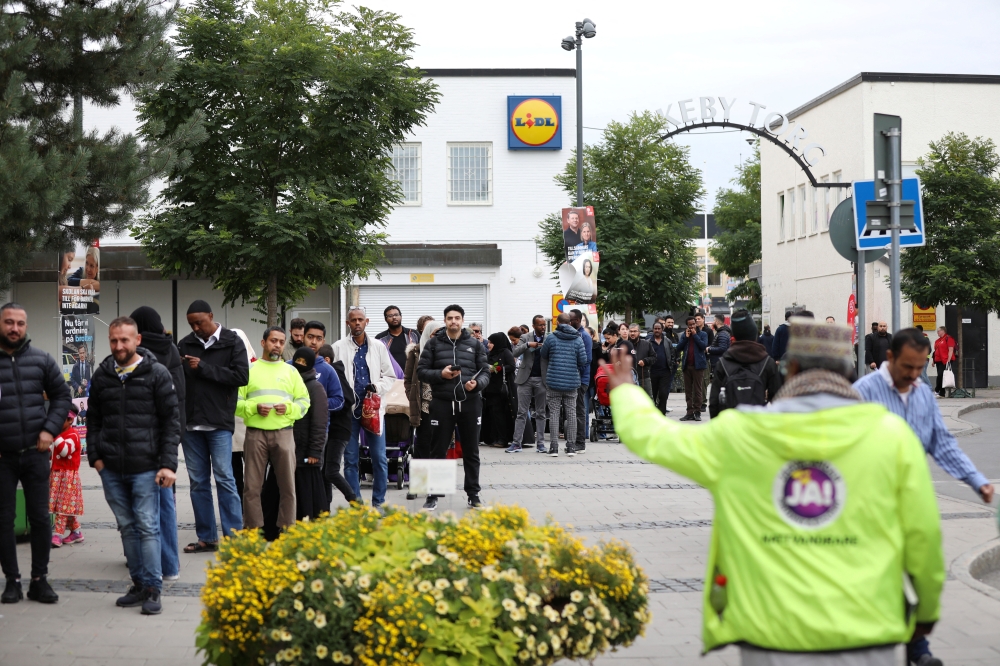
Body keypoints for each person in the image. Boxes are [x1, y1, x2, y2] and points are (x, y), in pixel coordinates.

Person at [607, 318, 945, 665]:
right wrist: (926, 612)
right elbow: (924, 536)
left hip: (770, 633)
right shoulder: (892, 436)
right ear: (847, 371)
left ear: (790, 367)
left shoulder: (740, 433)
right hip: (869, 631)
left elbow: (654, 437)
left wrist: (624, 390)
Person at [854, 327, 992, 666]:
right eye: (907, 368)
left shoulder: (923, 394)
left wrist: (976, 480)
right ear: (890, 358)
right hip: (869, 503)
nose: (914, 376)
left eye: (921, 368)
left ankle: (917, 645)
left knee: (919, 574)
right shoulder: (862, 393)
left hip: (912, 501)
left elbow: (941, 443)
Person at [88, 316, 180, 615]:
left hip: (145, 467)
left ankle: (153, 588)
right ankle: (139, 584)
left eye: (124, 340)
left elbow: (171, 422)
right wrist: (96, 459)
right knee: (127, 527)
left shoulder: (157, 373)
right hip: (111, 467)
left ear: (137, 340)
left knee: (148, 526)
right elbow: (93, 420)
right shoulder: (102, 375)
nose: (118, 346)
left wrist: (168, 465)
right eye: (114, 340)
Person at [0, 302, 71, 605]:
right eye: (8, 322)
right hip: (2, 458)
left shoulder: (42, 359)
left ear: (26, 326)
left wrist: (49, 430)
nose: (14, 328)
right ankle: (12, 581)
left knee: (41, 518)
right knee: (4, 520)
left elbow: (62, 396)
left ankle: (39, 580)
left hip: (36, 453)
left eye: (20, 323)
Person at [177, 300, 248, 554]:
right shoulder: (185, 344)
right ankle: (207, 537)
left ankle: (234, 537)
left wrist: (204, 367)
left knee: (225, 479)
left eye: (200, 322)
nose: (196, 328)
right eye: (191, 324)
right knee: (198, 482)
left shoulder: (232, 341)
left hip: (218, 422)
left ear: (211, 315)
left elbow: (241, 377)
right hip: (191, 425)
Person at [417, 304, 490, 510]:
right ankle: (433, 494)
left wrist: (477, 384)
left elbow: (486, 371)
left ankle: (473, 494)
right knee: (437, 449)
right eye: (450, 318)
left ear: (462, 321)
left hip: (470, 402)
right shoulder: (433, 344)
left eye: (457, 318)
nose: (454, 322)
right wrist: (441, 374)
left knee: (471, 450)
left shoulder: (475, 345)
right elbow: (421, 371)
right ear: (445, 321)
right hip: (442, 403)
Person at [237, 326, 310, 532]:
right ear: (263, 343)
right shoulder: (249, 370)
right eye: (273, 341)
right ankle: (253, 529)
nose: (277, 345)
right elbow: (235, 402)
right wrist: (253, 408)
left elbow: (304, 402)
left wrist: (289, 409)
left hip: (284, 433)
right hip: (255, 434)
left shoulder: (291, 371)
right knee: (251, 487)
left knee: (288, 486)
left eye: (281, 341)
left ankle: (287, 528)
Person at [130, 306, 183, 581]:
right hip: (166, 436)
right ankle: (170, 565)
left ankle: (142, 562)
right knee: (166, 503)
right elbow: (180, 394)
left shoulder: (136, 353)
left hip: (140, 436)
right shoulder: (171, 348)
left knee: (140, 504)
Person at [332, 307, 396, 510]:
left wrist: (376, 387)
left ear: (367, 321)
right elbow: (332, 376)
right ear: (347, 323)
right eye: (353, 320)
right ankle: (356, 505)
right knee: (351, 460)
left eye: (360, 319)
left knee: (379, 458)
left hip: (374, 410)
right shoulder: (338, 347)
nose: (357, 323)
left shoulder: (378, 346)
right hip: (348, 412)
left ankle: (379, 502)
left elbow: (391, 376)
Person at [708, 310, 781, 418]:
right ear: (754, 335)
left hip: (730, 426)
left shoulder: (723, 362)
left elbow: (714, 402)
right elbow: (777, 399)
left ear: (734, 336)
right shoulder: (767, 362)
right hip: (757, 425)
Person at [287, 347, 330, 520]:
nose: (300, 365)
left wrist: (315, 452)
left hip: (306, 453)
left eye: (305, 362)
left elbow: (320, 423)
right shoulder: (288, 384)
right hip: (288, 449)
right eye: (298, 361)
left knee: (308, 497)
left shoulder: (315, 387)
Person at [540, 313, 588, 457]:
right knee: (571, 414)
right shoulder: (578, 339)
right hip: (572, 382)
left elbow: (543, 354)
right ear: (570, 323)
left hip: (553, 381)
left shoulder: (551, 338)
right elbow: (583, 360)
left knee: (554, 414)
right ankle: (571, 447)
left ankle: (554, 448)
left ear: (557, 322)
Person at [404, 321, 442, 499]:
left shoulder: (447, 351)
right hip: (423, 406)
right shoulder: (416, 351)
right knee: (421, 445)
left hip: (442, 404)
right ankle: (417, 485)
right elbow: (408, 377)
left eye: (440, 333)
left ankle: (438, 486)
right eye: (434, 334)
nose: (437, 337)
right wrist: (411, 396)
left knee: (440, 446)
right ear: (427, 334)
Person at [317, 343, 356, 506]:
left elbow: (348, 400)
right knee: (324, 471)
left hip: (339, 430)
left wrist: (324, 406)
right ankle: (325, 507)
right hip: (330, 429)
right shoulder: (328, 372)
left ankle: (354, 500)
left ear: (327, 360)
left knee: (331, 471)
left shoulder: (335, 373)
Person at [510, 315, 548, 454]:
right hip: (525, 379)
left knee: (541, 413)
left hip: (542, 379)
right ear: (533, 326)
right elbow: (514, 351)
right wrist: (527, 345)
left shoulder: (548, 338)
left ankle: (541, 444)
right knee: (521, 412)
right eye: (540, 325)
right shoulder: (525, 337)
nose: (543, 327)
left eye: (544, 324)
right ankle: (516, 443)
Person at [50, 405, 84, 549]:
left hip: (68, 476)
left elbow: (64, 451)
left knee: (63, 505)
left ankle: (57, 534)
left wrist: (55, 435)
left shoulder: (73, 435)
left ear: (70, 420)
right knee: (63, 505)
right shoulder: (61, 433)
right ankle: (76, 532)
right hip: (58, 474)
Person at [481, 333, 516, 447]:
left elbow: (511, 366)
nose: (489, 345)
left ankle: (503, 439)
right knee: (492, 414)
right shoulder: (490, 354)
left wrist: (498, 368)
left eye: (491, 343)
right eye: (489, 342)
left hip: (501, 389)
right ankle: (493, 438)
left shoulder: (505, 352)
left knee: (500, 414)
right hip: (490, 388)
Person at [569, 310, 594, 453]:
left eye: (571, 320)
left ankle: (580, 442)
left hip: (581, 379)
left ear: (578, 320)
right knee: (574, 410)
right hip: (574, 377)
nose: (569, 322)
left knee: (579, 410)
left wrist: (574, 369)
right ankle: (574, 440)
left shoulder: (584, 336)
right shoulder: (574, 334)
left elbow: (587, 359)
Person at [675, 316, 708, 421]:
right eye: (690, 324)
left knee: (698, 390)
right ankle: (689, 412)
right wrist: (686, 337)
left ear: (696, 324)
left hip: (698, 366)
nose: (692, 326)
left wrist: (694, 336)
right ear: (687, 325)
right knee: (688, 391)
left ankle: (697, 412)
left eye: (693, 324)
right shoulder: (685, 335)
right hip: (687, 366)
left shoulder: (703, 334)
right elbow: (679, 347)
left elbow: (703, 346)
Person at [376, 305, 420, 371]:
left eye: (396, 315)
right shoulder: (380, 338)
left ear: (401, 316)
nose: (394, 317)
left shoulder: (413, 334)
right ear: (385, 319)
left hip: (412, 375)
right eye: (390, 316)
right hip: (390, 376)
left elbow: (422, 353)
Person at [649, 321, 674, 414]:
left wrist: (672, 363)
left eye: (659, 328)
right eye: (655, 328)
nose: (657, 330)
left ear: (662, 330)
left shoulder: (667, 341)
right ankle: (652, 415)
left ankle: (662, 414)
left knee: (663, 394)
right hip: (652, 372)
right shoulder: (648, 342)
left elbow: (672, 354)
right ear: (653, 330)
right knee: (653, 395)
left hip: (665, 372)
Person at [629, 323, 656, 398]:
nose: (632, 333)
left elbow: (654, 357)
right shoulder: (626, 344)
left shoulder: (647, 344)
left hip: (644, 377)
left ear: (639, 332)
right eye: (631, 331)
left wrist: (645, 361)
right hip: (629, 378)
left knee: (648, 399)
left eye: (635, 331)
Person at [933, 326, 956, 398]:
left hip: (945, 360)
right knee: (940, 376)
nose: (937, 332)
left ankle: (937, 390)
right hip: (938, 360)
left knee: (941, 375)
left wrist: (948, 360)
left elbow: (951, 350)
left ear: (943, 331)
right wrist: (934, 360)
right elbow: (936, 351)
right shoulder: (938, 340)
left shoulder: (948, 338)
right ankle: (941, 393)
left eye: (939, 331)